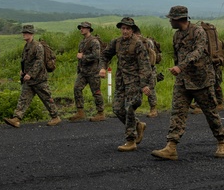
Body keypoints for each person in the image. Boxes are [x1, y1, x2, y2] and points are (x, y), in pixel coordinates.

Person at [151, 6, 224, 160]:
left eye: (171, 19)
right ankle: (171, 147)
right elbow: (177, 55)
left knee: (211, 113)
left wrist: (180, 66)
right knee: (177, 113)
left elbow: (198, 52)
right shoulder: (177, 35)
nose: (170, 21)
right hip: (183, 81)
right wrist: (177, 68)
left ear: (179, 19)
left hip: (202, 80)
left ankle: (221, 142)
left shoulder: (198, 32)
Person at [99, 17, 153, 151]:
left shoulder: (138, 44)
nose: (125, 31)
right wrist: (102, 67)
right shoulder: (116, 42)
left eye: (128, 29)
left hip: (134, 82)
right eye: (123, 28)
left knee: (129, 108)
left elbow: (145, 65)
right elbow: (105, 55)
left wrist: (145, 85)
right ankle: (138, 125)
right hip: (121, 81)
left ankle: (131, 140)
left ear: (132, 30)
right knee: (117, 109)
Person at [4, 24, 62, 128]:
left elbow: (39, 62)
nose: (24, 34)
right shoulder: (26, 46)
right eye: (24, 33)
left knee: (47, 98)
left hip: (39, 79)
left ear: (32, 34)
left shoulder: (37, 46)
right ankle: (16, 119)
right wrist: (23, 71)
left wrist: (30, 74)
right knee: (23, 98)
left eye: (26, 33)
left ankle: (55, 117)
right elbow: (27, 61)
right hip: (29, 80)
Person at [69, 21, 105, 122]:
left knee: (96, 92)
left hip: (93, 72)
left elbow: (96, 55)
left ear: (88, 29)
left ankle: (101, 113)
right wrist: (79, 69)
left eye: (83, 28)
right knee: (77, 88)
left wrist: (83, 57)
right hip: (83, 72)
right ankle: (80, 112)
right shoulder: (82, 42)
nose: (81, 29)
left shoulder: (94, 41)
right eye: (81, 27)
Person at [142, 33, 161, 118]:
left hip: (150, 68)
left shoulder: (147, 42)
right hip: (140, 69)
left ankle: (153, 109)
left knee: (151, 88)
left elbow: (152, 60)